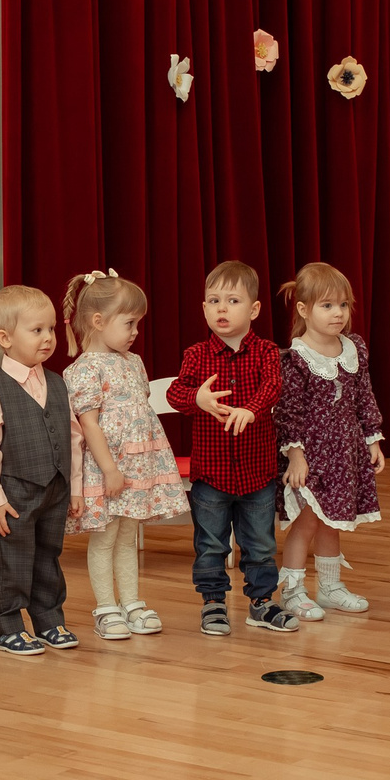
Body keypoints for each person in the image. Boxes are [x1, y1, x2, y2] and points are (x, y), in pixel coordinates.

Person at [165, 261, 298, 636]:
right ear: (204, 308)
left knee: (260, 544)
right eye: (213, 300)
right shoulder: (196, 355)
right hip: (211, 474)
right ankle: (213, 604)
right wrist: (198, 398)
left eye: (233, 300)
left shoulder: (267, 352)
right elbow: (175, 393)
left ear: (253, 309)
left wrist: (251, 409)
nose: (222, 308)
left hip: (257, 473)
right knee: (210, 546)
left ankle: (262, 603)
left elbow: (273, 387)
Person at [60, 270, 186, 641]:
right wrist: (110, 469)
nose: (134, 332)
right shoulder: (84, 370)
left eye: (137, 324)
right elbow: (91, 426)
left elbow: (138, 416)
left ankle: (130, 601)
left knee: (127, 536)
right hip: (108, 469)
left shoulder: (133, 362)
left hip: (136, 466)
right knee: (105, 536)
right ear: (98, 322)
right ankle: (106, 607)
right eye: (129, 323)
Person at [272, 263, 386, 623]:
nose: (338, 313)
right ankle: (292, 591)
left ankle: (330, 587)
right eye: (327, 306)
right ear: (304, 310)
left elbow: (364, 398)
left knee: (333, 521)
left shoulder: (354, 349)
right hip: (310, 456)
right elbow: (287, 413)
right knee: (305, 522)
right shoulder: (295, 359)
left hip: (344, 453)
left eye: (343, 305)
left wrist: (372, 439)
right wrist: (295, 456)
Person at [0, 285, 78, 657]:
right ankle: (6, 626)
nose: (48, 337)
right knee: (12, 559)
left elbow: (73, 439)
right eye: (37, 330)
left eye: (50, 329)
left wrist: (75, 488)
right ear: (4, 338)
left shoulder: (58, 384)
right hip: (14, 492)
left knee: (48, 556)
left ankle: (48, 618)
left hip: (55, 489)